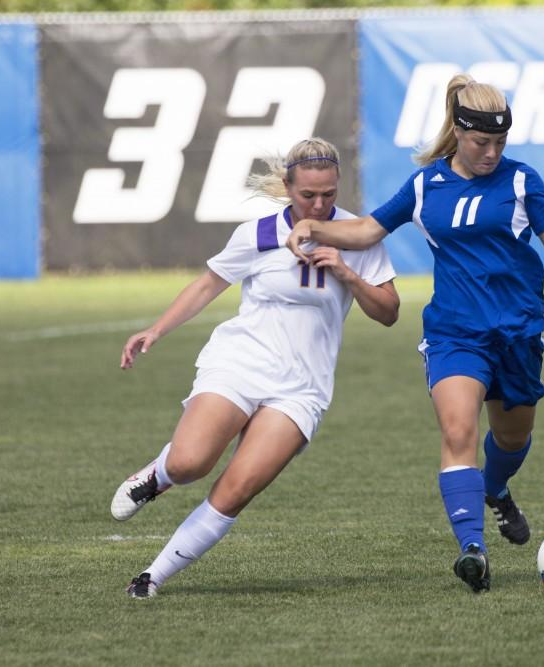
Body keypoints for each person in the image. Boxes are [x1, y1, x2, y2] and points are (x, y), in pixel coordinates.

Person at [285, 75, 544, 593]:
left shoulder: (520, 181)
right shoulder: (425, 184)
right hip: (454, 334)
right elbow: (368, 230)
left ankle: (495, 489)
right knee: (457, 433)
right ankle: (473, 551)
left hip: (517, 333)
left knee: (512, 439)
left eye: (499, 143)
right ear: (459, 131)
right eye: (480, 142)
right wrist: (316, 228)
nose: (491, 152)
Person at [111, 138, 399, 598]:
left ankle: (152, 577)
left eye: (329, 193)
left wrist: (347, 273)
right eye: (309, 195)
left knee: (236, 489)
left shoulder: (359, 234)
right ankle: (160, 473)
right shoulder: (258, 233)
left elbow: (388, 312)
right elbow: (208, 284)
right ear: (288, 187)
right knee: (190, 463)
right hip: (240, 363)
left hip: (302, 389)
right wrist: (156, 330)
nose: (320, 204)